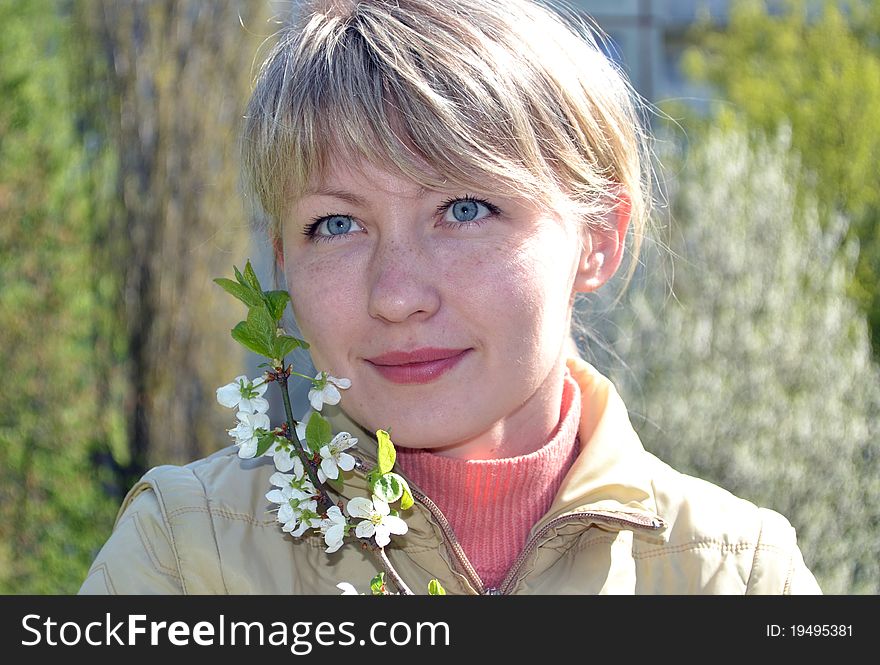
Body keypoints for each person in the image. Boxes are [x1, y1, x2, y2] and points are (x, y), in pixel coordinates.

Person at [79, 0, 820, 595]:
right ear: (283, 258)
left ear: (597, 237)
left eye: (465, 208)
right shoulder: (183, 556)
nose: (397, 295)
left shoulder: (741, 575)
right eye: (335, 224)